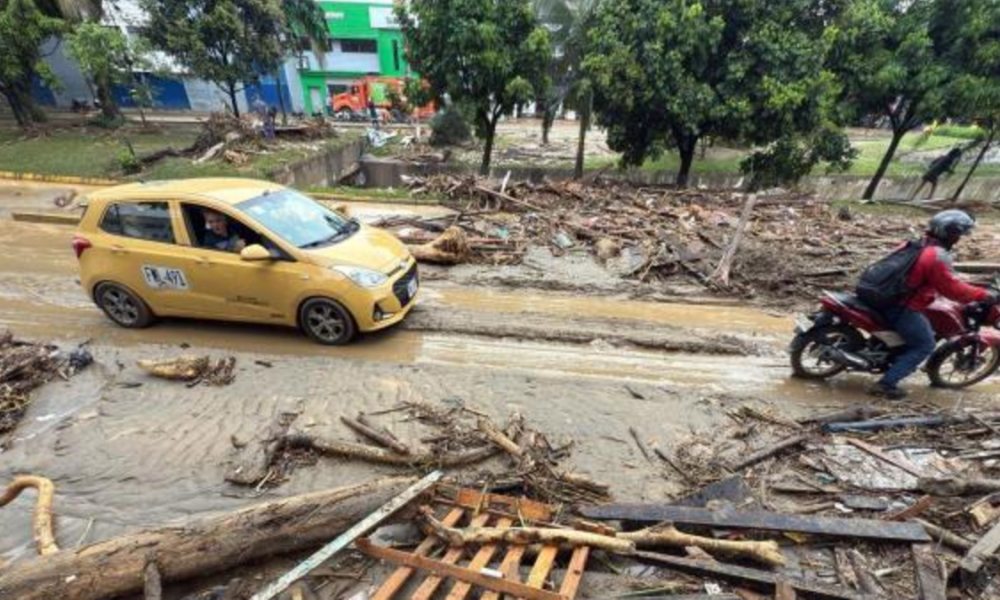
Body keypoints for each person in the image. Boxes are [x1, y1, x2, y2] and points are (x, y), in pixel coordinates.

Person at [869, 210, 998, 399]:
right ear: (951, 234)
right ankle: (886, 384)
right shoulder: (936, 256)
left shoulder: (913, 244)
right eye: (958, 235)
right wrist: (983, 294)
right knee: (925, 345)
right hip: (900, 306)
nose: (959, 239)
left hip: (879, 295)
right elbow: (954, 290)